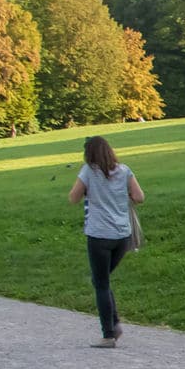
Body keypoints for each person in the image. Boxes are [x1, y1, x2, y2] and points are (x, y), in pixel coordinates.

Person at [68, 135, 145, 348]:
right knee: (101, 280)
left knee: (101, 283)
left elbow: (73, 198)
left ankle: (109, 334)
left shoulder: (88, 172)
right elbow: (139, 197)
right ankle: (115, 322)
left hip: (99, 235)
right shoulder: (124, 170)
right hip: (122, 235)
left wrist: (90, 191)